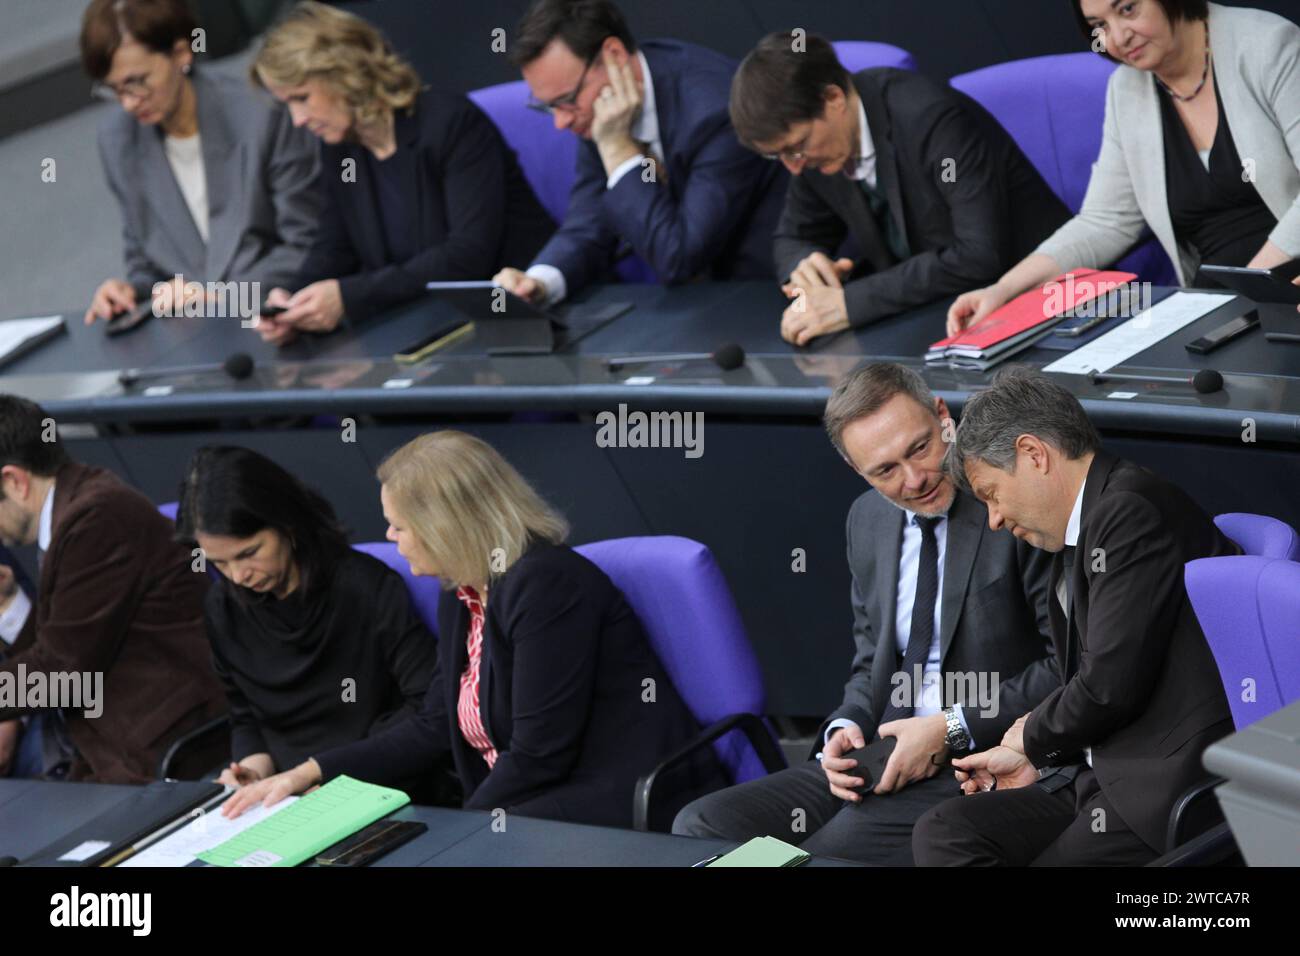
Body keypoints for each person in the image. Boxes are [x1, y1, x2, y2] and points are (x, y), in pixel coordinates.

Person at [222, 431, 724, 828]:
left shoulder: (547, 585)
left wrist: (464, 831)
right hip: (530, 804)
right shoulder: (461, 591)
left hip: (620, 796)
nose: (390, 538)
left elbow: (539, 753)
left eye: (398, 525)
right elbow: (433, 723)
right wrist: (309, 772)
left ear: (446, 525)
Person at [673, 363, 1057, 863]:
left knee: (812, 856)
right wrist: (843, 728)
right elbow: (871, 659)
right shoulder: (868, 519)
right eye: (885, 470)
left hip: (974, 752)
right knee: (702, 825)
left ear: (943, 417)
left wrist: (949, 726)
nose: (915, 479)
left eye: (920, 448)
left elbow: (1064, 664)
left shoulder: (1006, 502)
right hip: (878, 752)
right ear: (857, 471)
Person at [913, 367, 1237, 865]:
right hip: (1099, 773)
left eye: (992, 494)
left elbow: (1108, 684)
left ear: (1033, 454)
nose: (994, 519)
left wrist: (1030, 735)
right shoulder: (1084, 528)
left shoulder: (1127, 512)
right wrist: (1032, 756)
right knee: (945, 832)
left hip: (1163, 785)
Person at [947, 1, 1300, 337]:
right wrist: (1003, 289)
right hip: (1223, 305)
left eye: (1127, 9)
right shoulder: (1126, 89)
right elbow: (1105, 221)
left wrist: (1249, 283)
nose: (1117, 37)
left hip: (1285, 281)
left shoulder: (1267, 45)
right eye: (1099, 25)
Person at [728, 32, 1070, 346]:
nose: (793, 166)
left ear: (833, 98)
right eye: (779, 156)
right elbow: (792, 238)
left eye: (796, 147)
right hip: (940, 317)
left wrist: (848, 304)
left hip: (1042, 303)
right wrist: (806, 270)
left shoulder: (932, 120)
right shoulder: (817, 150)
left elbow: (978, 255)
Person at [249, 2, 555, 344]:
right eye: (287, 104)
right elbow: (333, 249)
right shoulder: (341, 148)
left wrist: (349, 296)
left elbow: (467, 256)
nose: (298, 120)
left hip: (518, 322)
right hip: (423, 327)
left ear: (346, 74)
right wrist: (289, 302)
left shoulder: (450, 124)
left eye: (302, 98)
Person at [174, 446, 438, 793]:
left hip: (377, 781)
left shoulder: (365, 588)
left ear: (288, 525)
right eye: (219, 564)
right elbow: (246, 715)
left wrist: (321, 774)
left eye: (249, 553)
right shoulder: (223, 607)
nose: (238, 576)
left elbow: (428, 711)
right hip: (285, 793)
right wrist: (252, 768)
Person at [491, 0, 787, 306]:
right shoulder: (602, 111)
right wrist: (538, 281)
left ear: (615, 56)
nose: (561, 121)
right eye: (548, 106)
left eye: (566, 100)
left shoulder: (715, 112)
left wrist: (619, 149)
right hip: (692, 307)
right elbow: (588, 223)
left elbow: (680, 258)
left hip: (766, 295)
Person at [0, 394, 225, 783]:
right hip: (113, 752)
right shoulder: (73, 514)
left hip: (178, 753)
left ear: (15, 481)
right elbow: (57, 650)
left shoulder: (97, 517)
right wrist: (7, 606)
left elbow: (61, 675)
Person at [81, 0, 320, 325]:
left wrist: (224, 300)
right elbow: (146, 260)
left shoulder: (261, 116)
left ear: (181, 54)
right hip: (193, 332)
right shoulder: (117, 140)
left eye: (137, 82)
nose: (128, 103)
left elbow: (309, 248)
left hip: (279, 318)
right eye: (114, 90)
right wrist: (128, 292)